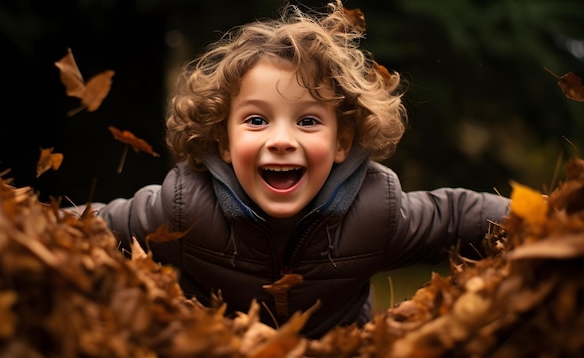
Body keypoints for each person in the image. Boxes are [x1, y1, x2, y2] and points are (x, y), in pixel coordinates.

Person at [88, 1, 510, 338]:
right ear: (223, 140)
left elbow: (456, 215)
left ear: (342, 141)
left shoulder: (375, 209)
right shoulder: (185, 206)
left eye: (308, 121)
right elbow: (93, 228)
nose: (282, 139)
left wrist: (551, 217)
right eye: (257, 120)